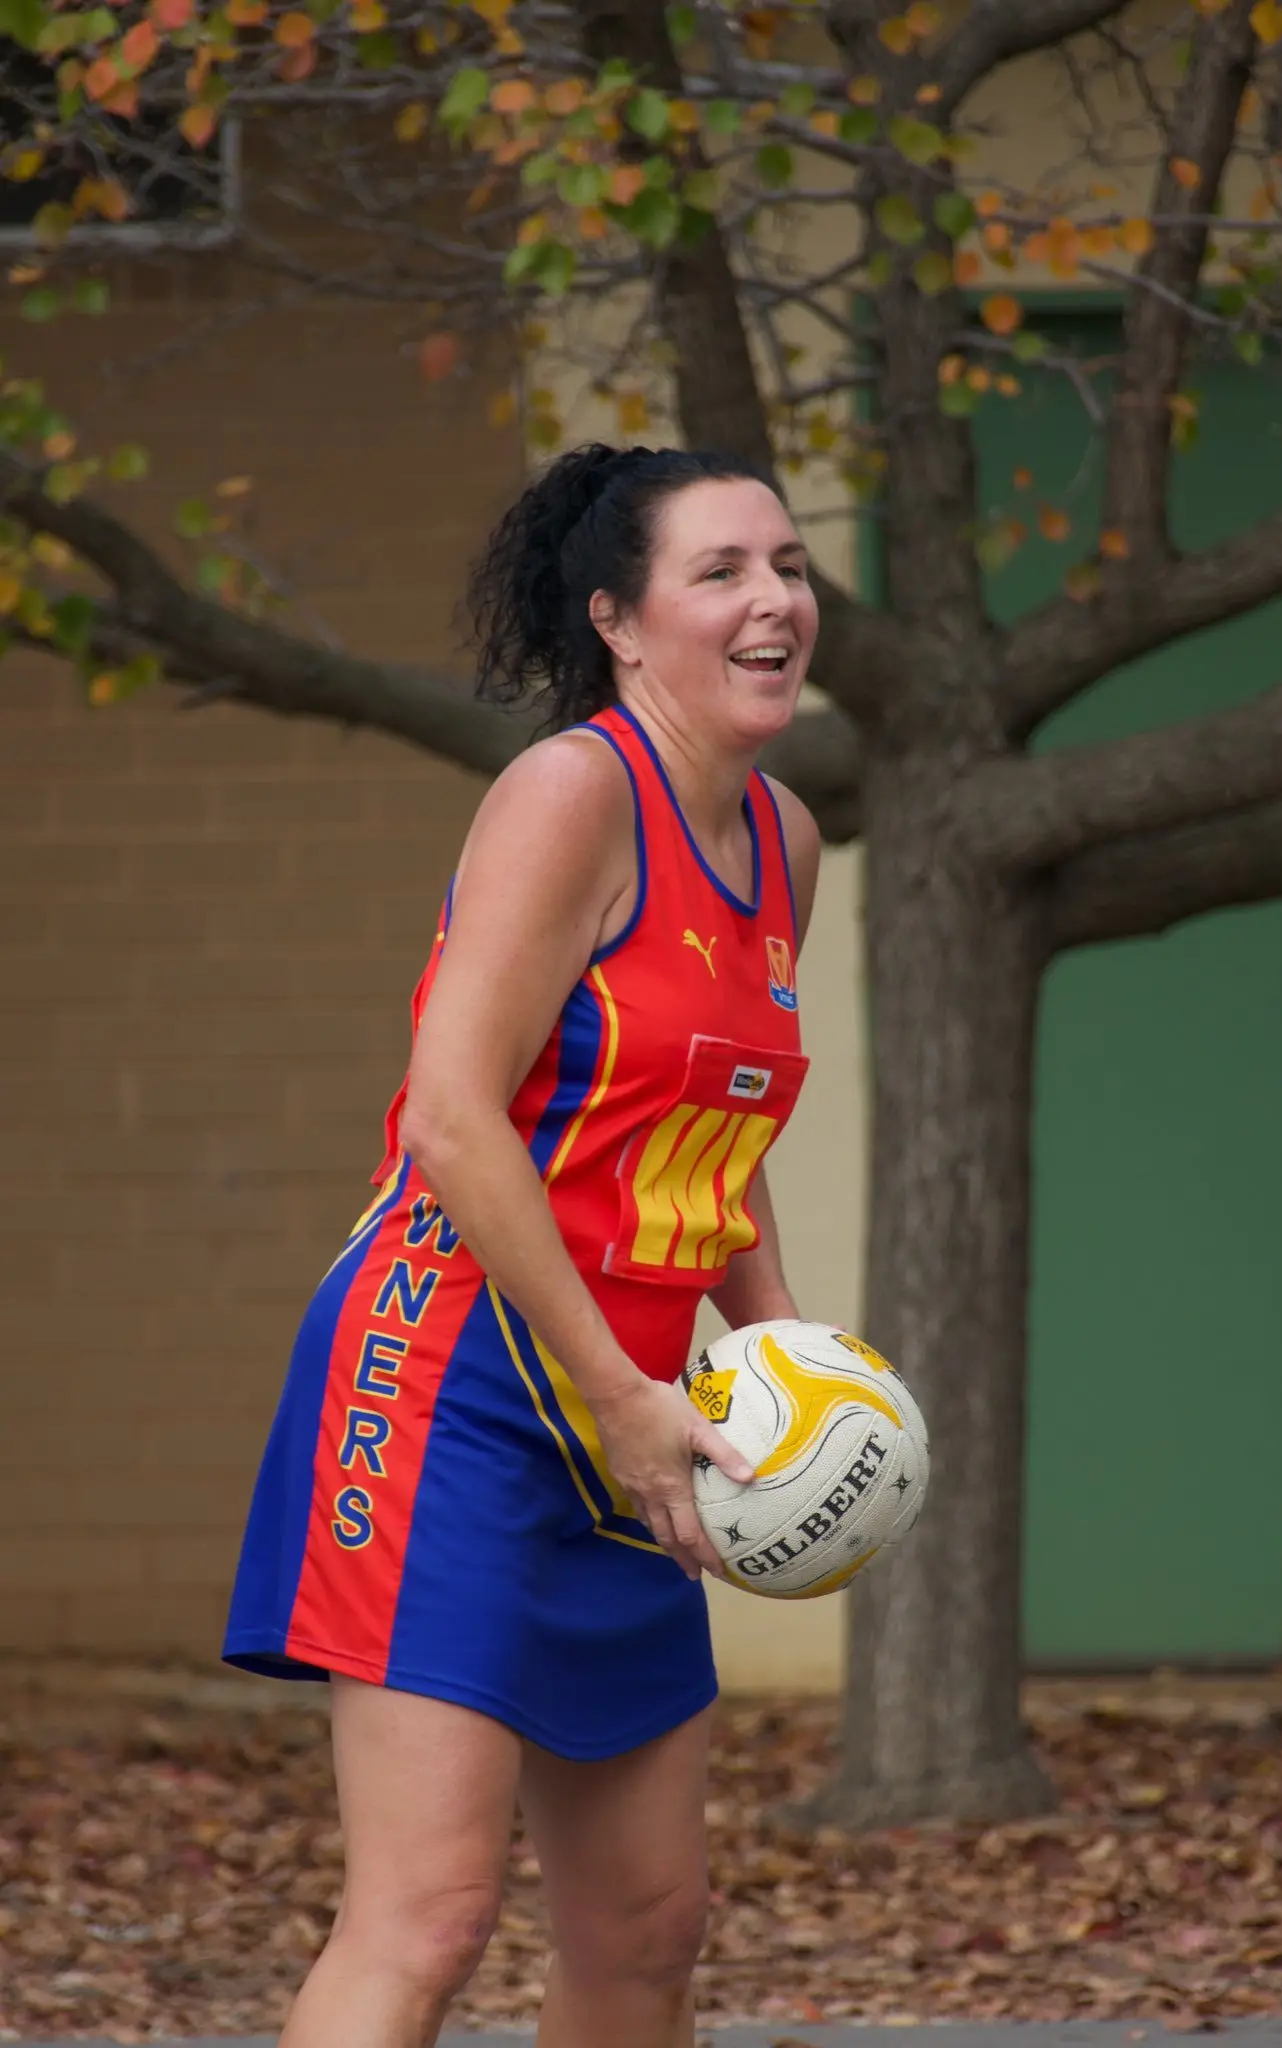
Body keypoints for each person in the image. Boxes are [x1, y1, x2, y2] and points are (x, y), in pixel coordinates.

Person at [222, 441, 823, 2048]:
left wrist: (783, 1372)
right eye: (722, 573)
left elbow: (721, 1143)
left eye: (788, 565)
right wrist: (626, 1398)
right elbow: (449, 1120)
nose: (775, 600)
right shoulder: (570, 794)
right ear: (620, 621)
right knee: (426, 1916)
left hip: (626, 1412)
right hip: (456, 1390)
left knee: (647, 1927)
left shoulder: (785, 841)